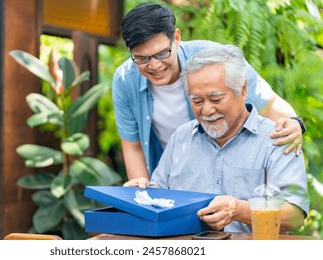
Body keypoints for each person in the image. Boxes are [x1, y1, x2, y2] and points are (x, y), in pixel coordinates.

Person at [124, 44, 309, 233]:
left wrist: (240, 210)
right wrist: (142, 193)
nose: (207, 110)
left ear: (242, 89)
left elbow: (294, 216)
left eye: (216, 99)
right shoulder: (181, 136)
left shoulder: (276, 138)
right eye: (196, 101)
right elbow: (159, 193)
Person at [112, 3, 306, 180]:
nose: (154, 65)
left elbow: (271, 105)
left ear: (176, 38)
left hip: (230, 174)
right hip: (172, 179)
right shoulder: (124, 80)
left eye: (162, 53)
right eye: (142, 58)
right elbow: (133, 147)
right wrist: (143, 200)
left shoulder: (217, 61)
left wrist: (293, 123)